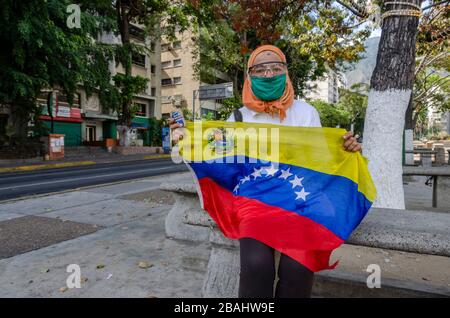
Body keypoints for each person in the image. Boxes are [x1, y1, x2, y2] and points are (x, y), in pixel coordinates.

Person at [168, 45, 361, 298]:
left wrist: (346, 149)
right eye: (260, 69)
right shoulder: (236, 118)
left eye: (276, 68)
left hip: (298, 200)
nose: (269, 74)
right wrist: (185, 140)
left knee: (298, 267)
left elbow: (321, 161)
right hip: (254, 201)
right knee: (256, 265)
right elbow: (216, 157)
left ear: (286, 72)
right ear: (249, 76)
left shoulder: (306, 113)